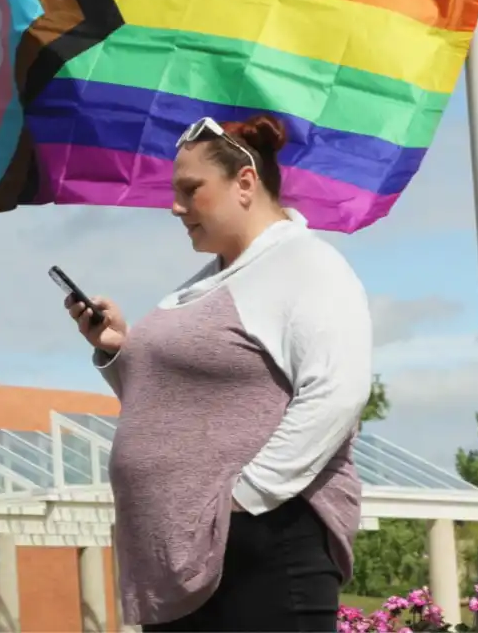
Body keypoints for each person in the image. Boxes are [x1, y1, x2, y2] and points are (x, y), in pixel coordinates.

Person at [66, 114, 372, 632]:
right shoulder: (207, 283)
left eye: (191, 189)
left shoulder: (305, 265)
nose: (175, 206)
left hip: (264, 549)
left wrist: (243, 500)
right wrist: (122, 351)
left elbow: (337, 394)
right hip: (190, 560)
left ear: (245, 182)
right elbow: (176, 406)